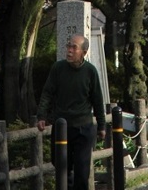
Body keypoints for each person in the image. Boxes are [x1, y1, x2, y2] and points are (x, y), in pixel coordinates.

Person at [37, 35, 106, 190]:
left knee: (82, 171)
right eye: (68, 46)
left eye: (74, 47)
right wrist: (41, 116)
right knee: (61, 167)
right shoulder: (58, 68)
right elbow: (47, 92)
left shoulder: (90, 71)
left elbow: (97, 100)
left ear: (84, 52)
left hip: (83, 127)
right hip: (62, 127)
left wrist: (101, 126)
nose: (69, 50)